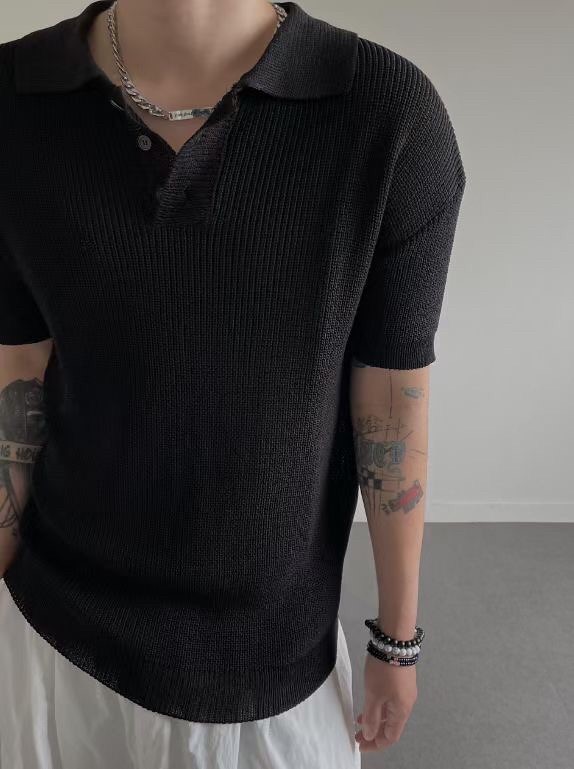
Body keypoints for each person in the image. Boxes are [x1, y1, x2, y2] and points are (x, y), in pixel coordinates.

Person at [0, 0, 466, 767]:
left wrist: (397, 636)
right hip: (55, 639)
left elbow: (391, 406)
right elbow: (19, 373)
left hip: (271, 667)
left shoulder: (388, 117)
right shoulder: (18, 98)